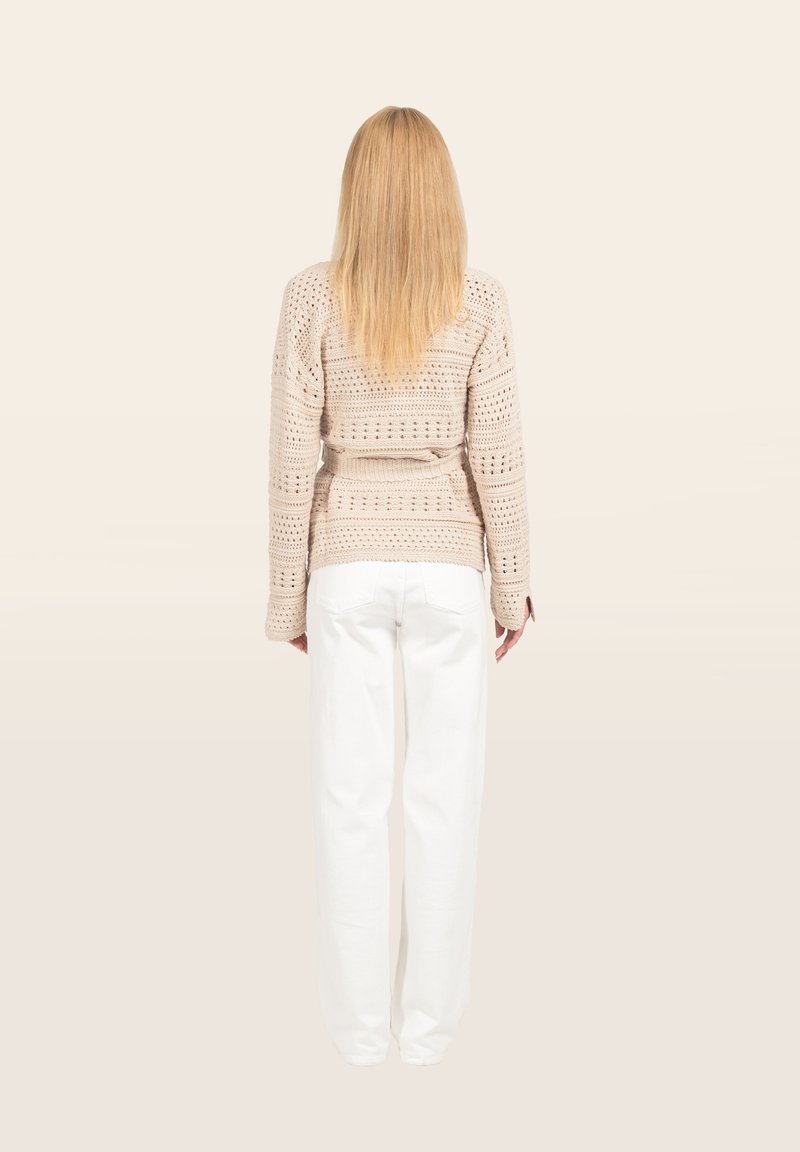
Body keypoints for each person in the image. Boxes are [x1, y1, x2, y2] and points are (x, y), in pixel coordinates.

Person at [264, 106, 535, 1066]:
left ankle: (357, 1042)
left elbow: (292, 459)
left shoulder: (310, 296)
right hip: (450, 570)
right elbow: (498, 456)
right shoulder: (481, 300)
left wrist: (287, 597)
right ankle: (427, 1041)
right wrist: (513, 590)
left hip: (344, 564)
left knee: (348, 802)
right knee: (444, 802)